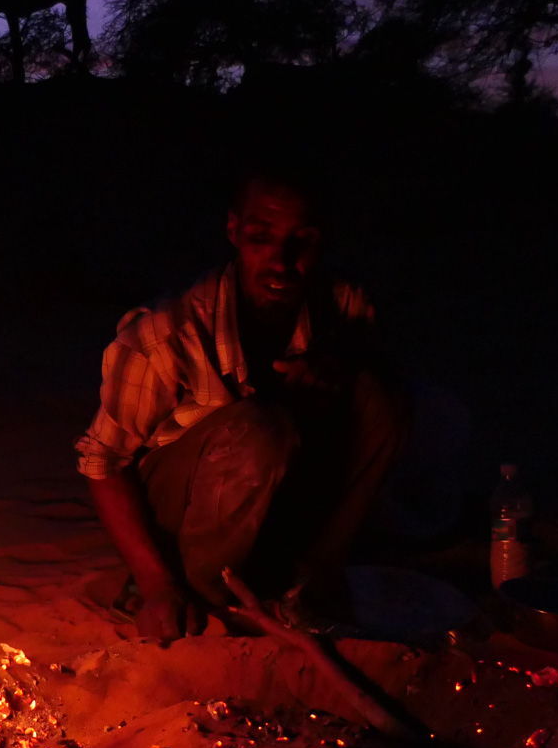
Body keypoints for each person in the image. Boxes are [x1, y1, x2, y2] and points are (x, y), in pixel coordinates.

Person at [77, 167, 410, 639]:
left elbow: (378, 391)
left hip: (267, 489)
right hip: (178, 506)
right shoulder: (165, 335)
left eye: (303, 242)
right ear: (233, 232)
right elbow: (102, 461)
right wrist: (155, 584)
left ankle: (313, 579)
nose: (281, 261)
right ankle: (199, 593)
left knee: (381, 401)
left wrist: (337, 363)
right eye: (262, 238)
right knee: (260, 429)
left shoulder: (345, 307)